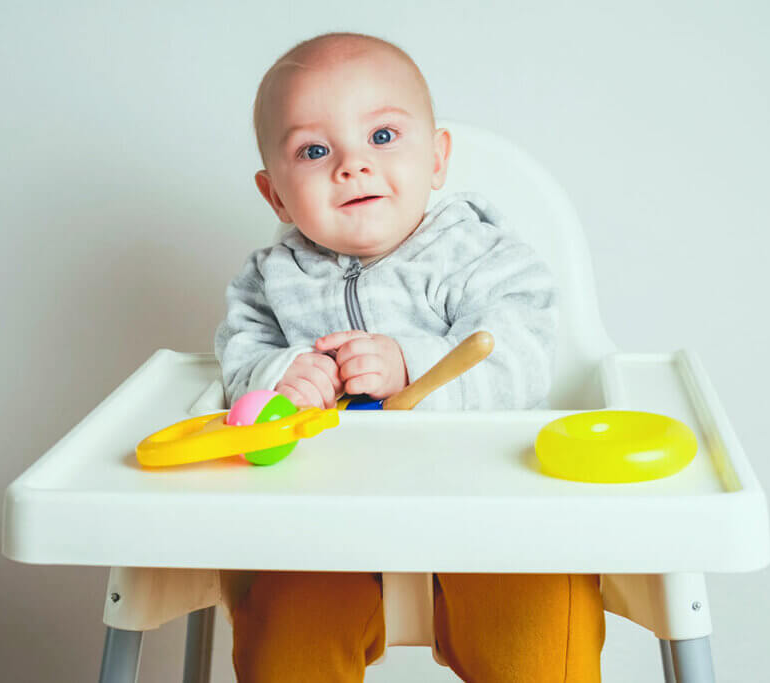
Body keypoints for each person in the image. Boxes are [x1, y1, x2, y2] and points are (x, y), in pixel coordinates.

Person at [215, 31, 605, 682]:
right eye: (314, 150)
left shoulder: (483, 255)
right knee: (286, 633)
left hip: (490, 504)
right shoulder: (270, 280)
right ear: (275, 195)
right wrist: (278, 374)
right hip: (323, 518)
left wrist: (413, 364)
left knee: (540, 632)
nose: (352, 165)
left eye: (384, 137)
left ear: (437, 158)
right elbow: (239, 355)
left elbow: (521, 354)